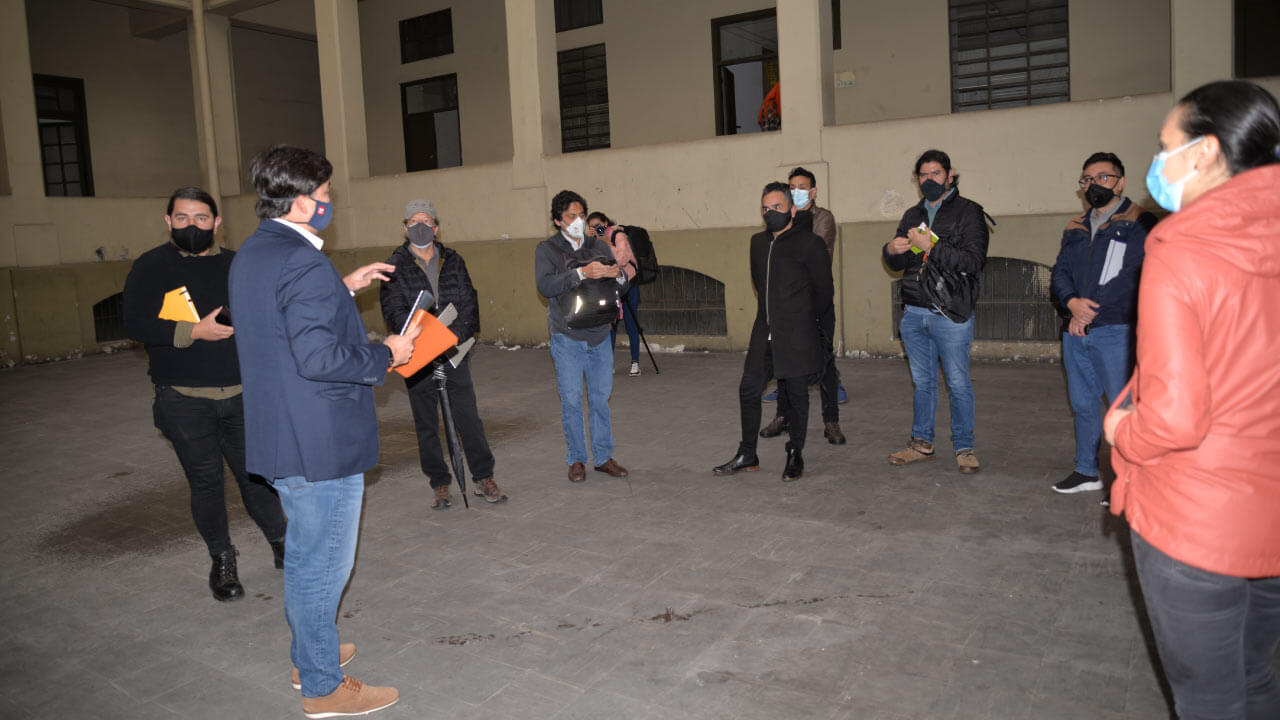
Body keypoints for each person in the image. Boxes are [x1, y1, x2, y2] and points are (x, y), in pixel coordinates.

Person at [1103, 79, 1280, 720]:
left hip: (1197, 520)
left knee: (1208, 698)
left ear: (1204, 152)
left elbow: (1175, 417)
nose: (1159, 161)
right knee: (1256, 677)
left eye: (1164, 146)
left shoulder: (1182, 248)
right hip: (1270, 510)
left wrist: (1122, 431)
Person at [229, 145, 417, 718]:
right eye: (327, 196)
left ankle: (308, 653)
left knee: (307, 553)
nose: (330, 204)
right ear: (304, 202)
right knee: (322, 562)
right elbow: (318, 356)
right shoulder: (302, 263)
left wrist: (342, 287)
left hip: (281, 433)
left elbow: (283, 318)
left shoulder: (256, 252)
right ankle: (322, 686)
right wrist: (387, 351)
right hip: (320, 441)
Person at [123, 186, 287, 602]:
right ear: (168, 221)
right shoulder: (150, 267)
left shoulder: (239, 264)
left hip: (242, 395)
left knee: (257, 479)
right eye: (182, 218)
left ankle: (283, 544)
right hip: (183, 399)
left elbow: (269, 314)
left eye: (200, 219)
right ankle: (222, 560)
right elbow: (136, 324)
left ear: (217, 223)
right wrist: (195, 330)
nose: (191, 226)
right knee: (206, 483)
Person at [380, 199, 506, 508]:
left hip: (453, 352)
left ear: (436, 227)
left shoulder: (454, 260)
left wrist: (449, 340)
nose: (420, 227)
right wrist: (424, 342)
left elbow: (469, 304)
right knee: (426, 423)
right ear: (405, 227)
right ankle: (439, 482)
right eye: (414, 222)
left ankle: (483, 477)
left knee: (468, 418)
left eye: (426, 221)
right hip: (417, 356)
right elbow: (394, 312)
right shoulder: (394, 266)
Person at [713, 181, 834, 482]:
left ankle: (795, 453)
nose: (770, 213)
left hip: (797, 333)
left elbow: (823, 293)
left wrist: (806, 324)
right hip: (764, 330)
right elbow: (760, 283)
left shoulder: (810, 243)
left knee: (796, 395)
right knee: (749, 388)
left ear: (792, 209)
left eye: (777, 207)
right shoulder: (757, 242)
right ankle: (747, 453)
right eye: (765, 209)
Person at [1049, 153, 1154, 495]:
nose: (1094, 185)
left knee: (1124, 408)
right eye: (1088, 179)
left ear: (1120, 182)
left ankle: (1130, 480)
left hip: (1116, 329)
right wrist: (1070, 303)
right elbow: (1061, 270)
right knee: (1083, 403)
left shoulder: (1139, 221)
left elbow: (1134, 275)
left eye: (1103, 177)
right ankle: (1087, 470)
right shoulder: (1075, 225)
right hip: (1076, 331)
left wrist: (1088, 310)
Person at [882, 149, 989, 474]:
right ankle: (922, 443)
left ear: (950, 176)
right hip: (914, 312)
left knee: (957, 382)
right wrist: (891, 250)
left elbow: (973, 262)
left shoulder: (969, 212)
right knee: (923, 382)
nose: (930, 180)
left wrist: (932, 247)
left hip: (951, 313)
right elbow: (900, 265)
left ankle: (964, 447)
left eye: (936, 174)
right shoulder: (912, 214)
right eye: (924, 176)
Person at [535, 190, 633, 483]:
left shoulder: (600, 246)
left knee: (600, 399)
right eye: (570, 216)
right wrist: (581, 273)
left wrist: (618, 275)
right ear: (557, 220)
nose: (577, 221)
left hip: (600, 335)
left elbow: (622, 285)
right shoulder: (547, 249)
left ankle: (603, 457)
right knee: (572, 400)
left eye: (580, 215)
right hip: (567, 337)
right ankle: (577, 459)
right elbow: (545, 286)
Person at [760, 166, 847, 445]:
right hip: (789, 307)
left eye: (801, 187)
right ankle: (783, 416)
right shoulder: (783, 220)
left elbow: (814, 253)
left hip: (817, 303)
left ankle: (831, 421)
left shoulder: (823, 218)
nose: (796, 191)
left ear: (813, 191)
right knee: (784, 362)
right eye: (792, 187)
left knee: (824, 362)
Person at [586, 211, 642, 377]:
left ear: (606, 223)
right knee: (610, 325)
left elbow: (621, 259)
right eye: (591, 227)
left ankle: (635, 362)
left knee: (631, 323)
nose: (595, 229)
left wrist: (603, 241)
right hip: (610, 286)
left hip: (629, 284)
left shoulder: (618, 236)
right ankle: (608, 363)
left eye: (598, 226)